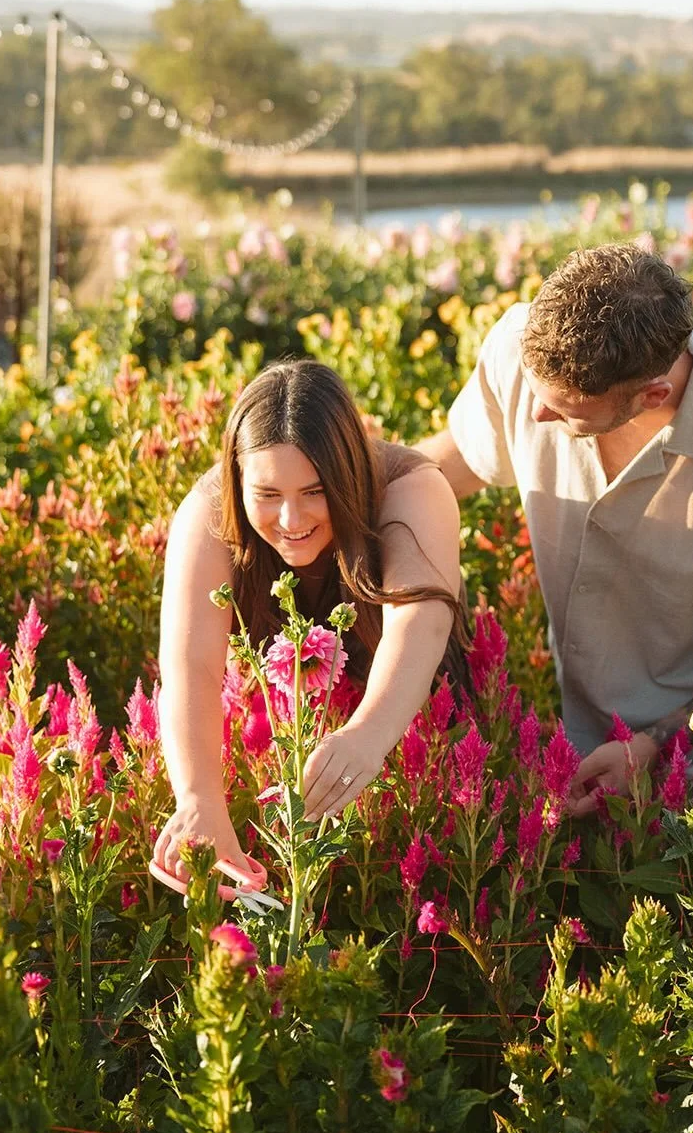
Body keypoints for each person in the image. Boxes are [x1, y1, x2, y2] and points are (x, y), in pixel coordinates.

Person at [417, 241, 693, 812]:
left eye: (565, 411)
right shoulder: (524, 352)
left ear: (653, 395)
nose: (534, 417)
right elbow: (448, 467)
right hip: (570, 735)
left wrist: (654, 744)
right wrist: (325, 471)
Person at [153, 359, 466, 887]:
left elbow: (419, 622)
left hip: (413, 717)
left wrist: (368, 735)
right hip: (290, 731)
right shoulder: (207, 513)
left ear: (349, 473)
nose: (292, 522)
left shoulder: (411, 487)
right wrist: (198, 799)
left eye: (316, 492)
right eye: (268, 496)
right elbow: (191, 665)